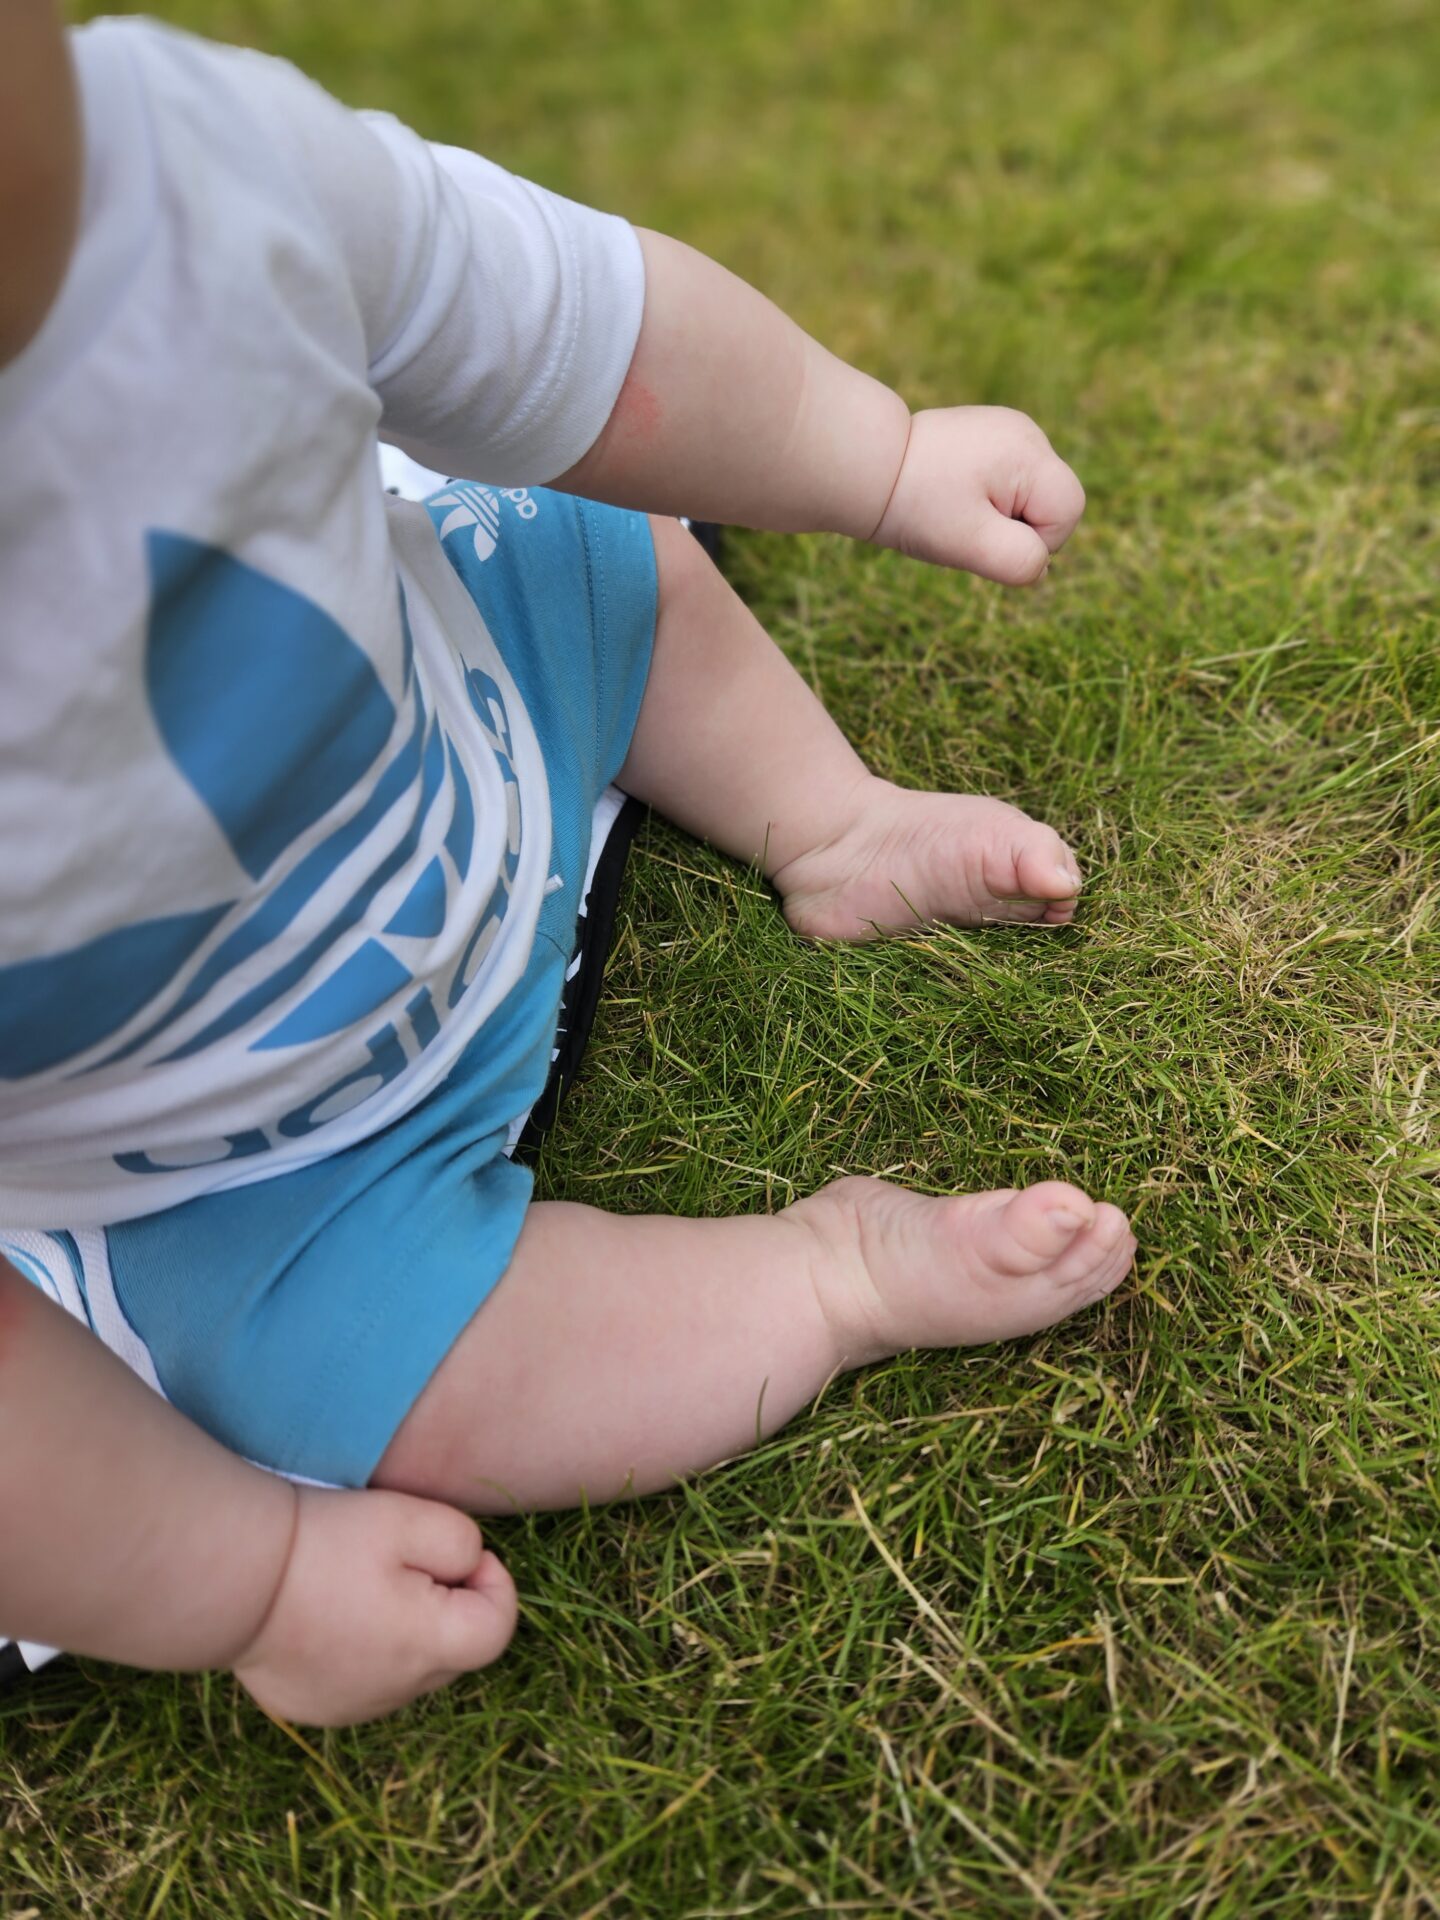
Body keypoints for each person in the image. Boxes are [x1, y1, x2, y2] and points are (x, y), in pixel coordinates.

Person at [0, 2, 1136, 1726]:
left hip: (466, 706)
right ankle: (826, 1277)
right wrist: (256, 1578)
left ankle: (832, 818)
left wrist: (875, 453)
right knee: (396, 1391)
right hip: (247, 1165)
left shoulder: (199, 166)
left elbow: (586, 344)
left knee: (594, 526)